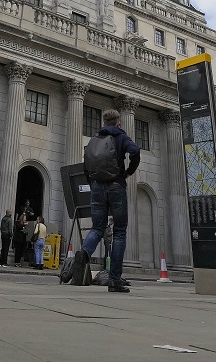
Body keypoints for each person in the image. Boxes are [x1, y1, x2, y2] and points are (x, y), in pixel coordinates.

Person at [70, 109, 140, 293]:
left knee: (97, 228)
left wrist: (92, 183)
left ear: (103, 122)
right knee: (119, 232)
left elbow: (86, 165)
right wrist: (129, 172)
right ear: (117, 122)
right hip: (116, 185)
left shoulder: (94, 140)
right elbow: (135, 151)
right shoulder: (121, 137)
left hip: (97, 187)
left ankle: (84, 253)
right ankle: (114, 279)